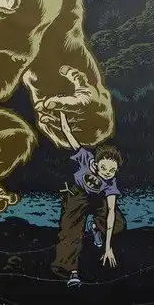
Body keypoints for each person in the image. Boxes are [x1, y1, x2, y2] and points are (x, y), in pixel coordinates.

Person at [50, 111, 126, 287]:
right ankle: (72, 272)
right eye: (104, 168)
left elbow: (111, 211)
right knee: (71, 231)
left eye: (112, 170)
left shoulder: (111, 183)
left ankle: (96, 228)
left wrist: (108, 247)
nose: (107, 173)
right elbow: (67, 132)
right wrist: (62, 113)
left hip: (98, 199)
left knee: (118, 223)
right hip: (78, 195)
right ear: (95, 165)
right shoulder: (85, 157)